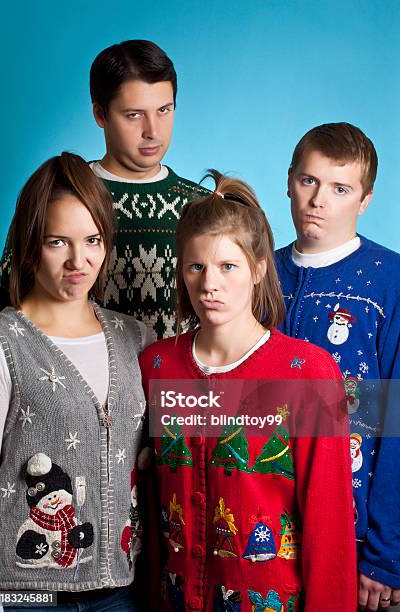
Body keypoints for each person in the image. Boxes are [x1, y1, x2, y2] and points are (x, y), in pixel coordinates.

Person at [139, 171, 357, 611]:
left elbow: (328, 521)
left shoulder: (308, 374)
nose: (209, 284)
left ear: (258, 269)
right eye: (195, 266)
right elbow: (144, 499)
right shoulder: (155, 365)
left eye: (228, 266)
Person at [0, 153, 153, 611]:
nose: (78, 261)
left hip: (123, 589)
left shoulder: (136, 339)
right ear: (29, 245)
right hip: (28, 593)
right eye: (57, 242)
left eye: (92, 240)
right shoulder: (3, 344)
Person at [0, 40, 208, 338]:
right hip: (73, 378)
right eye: (133, 115)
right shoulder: (60, 196)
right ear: (100, 114)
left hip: (172, 382)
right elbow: (7, 303)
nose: (153, 131)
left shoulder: (200, 206)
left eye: (164, 110)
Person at [275, 122, 400, 611]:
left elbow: (395, 421)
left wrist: (385, 554)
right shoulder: (256, 269)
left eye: (340, 188)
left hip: (356, 537)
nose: (318, 200)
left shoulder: (389, 282)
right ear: (289, 180)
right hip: (267, 524)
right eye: (309, 181)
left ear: (365, 200)